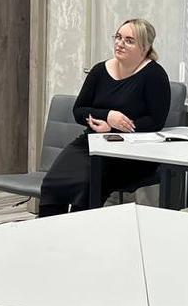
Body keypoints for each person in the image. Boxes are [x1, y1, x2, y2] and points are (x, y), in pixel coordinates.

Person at [38, 18, 171, 217]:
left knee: (88, 186)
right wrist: (108, 116)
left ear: (145, 47)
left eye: (129, 40)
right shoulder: (100, 70)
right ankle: (49, 230)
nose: (120, 43)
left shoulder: (154, 75)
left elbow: (155, 121)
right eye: (118, 37)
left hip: (131, 152)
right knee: (53, 183)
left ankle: (80, 231)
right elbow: (79, 110)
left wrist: (114, 128)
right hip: (92, 142)